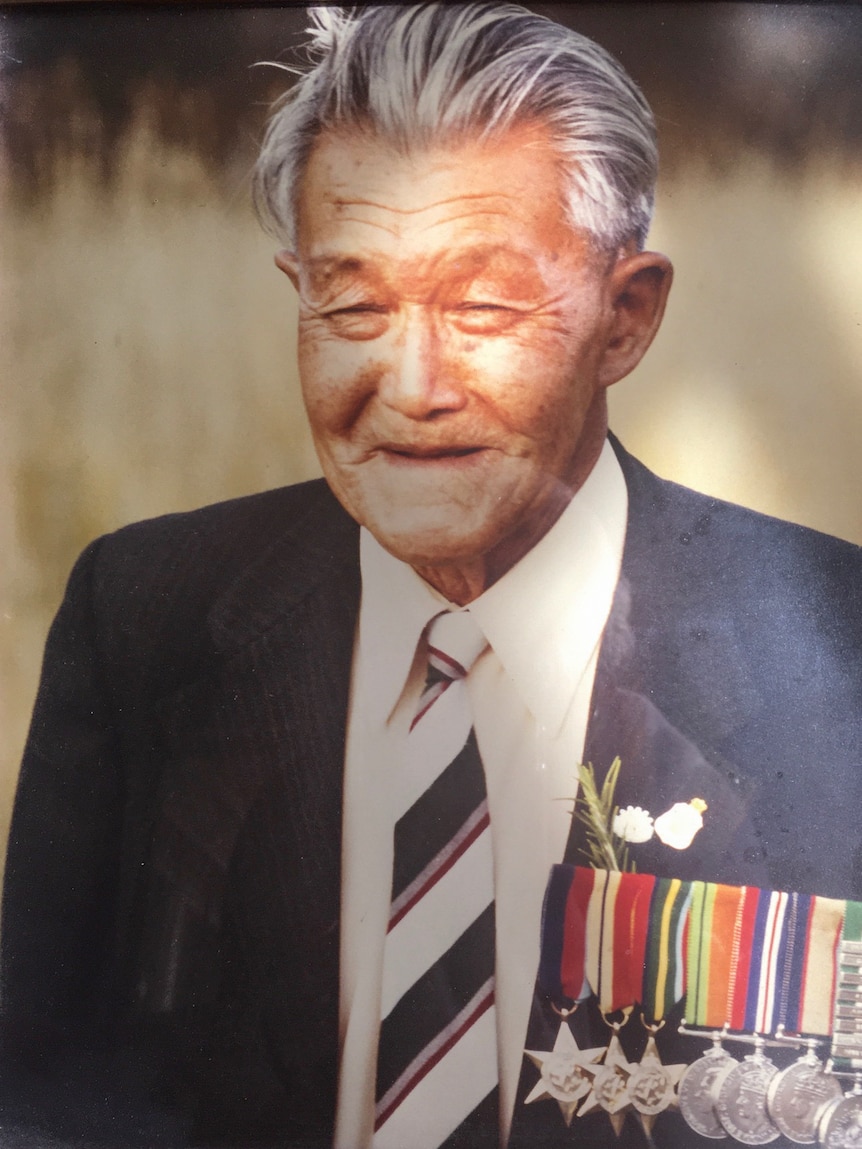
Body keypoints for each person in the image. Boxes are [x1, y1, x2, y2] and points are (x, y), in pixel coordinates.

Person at [2, 5, 861, 1148]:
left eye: (483, 304)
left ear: (626, 318)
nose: (410, 384)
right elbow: (41, 1091)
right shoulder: (147, 613)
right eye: (352, 304)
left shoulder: (831, 646)